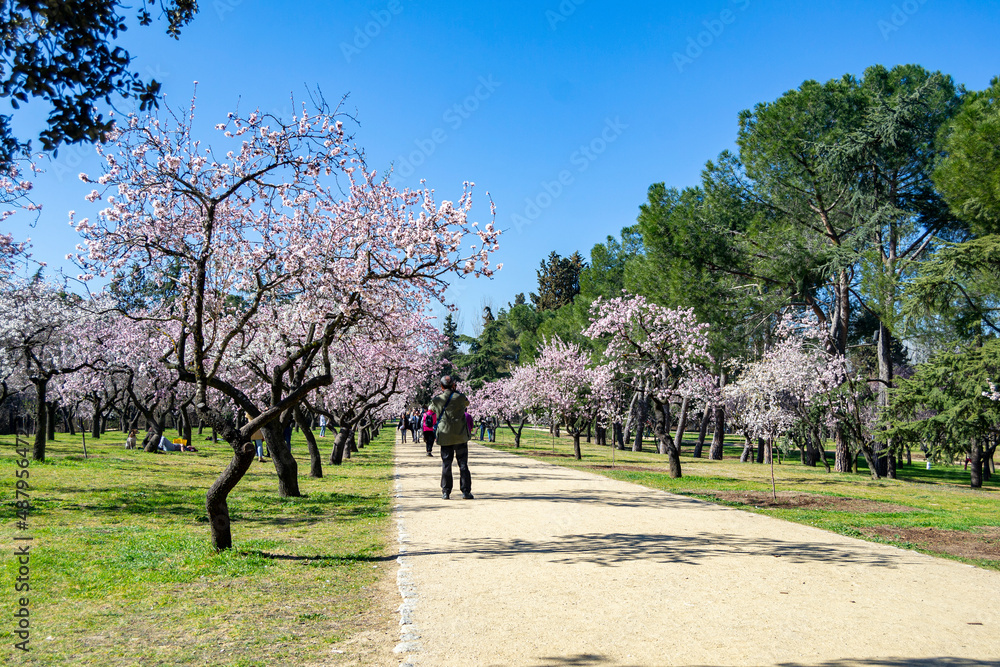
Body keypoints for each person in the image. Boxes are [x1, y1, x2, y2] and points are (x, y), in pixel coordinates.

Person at [431, 376, 473, 500]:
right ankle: (465, 491)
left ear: (442, 386)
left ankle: (446, 491)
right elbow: (467, 403)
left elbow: (431, 409)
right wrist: (455, 391)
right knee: (463, 464)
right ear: (454, 385)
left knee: (446, 464)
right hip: (460, 435)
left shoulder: (437, 399)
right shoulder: (460, 397)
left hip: (445, 435)